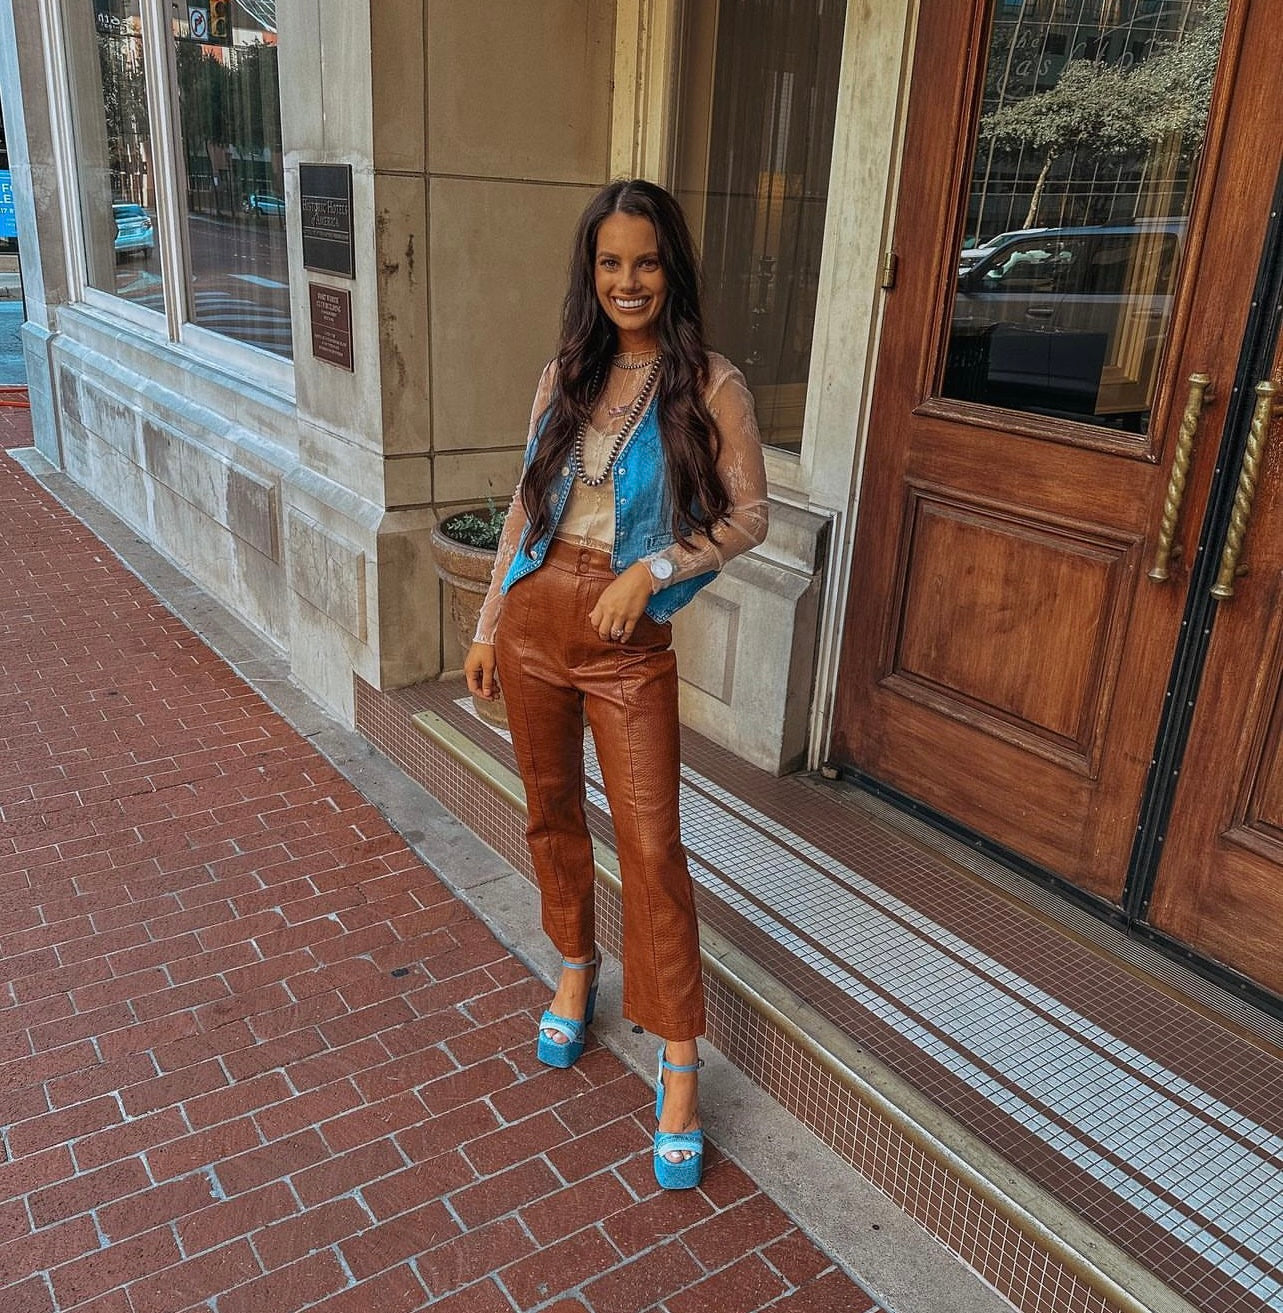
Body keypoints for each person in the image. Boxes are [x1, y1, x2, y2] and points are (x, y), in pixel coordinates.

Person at [464, 178, 768, 1190]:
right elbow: (523, 503)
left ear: (669, 269)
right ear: (589, 272)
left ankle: (678, 1057)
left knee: (650, 846)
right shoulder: (564, 374)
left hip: (626, 640)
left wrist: (655, 569)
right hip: (536, 620)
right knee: (550, 812)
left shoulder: (713, 384)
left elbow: (748, 517)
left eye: (643, 261)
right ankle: (573, 966)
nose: (626, 280)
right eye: (608, 262)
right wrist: (488, 620)